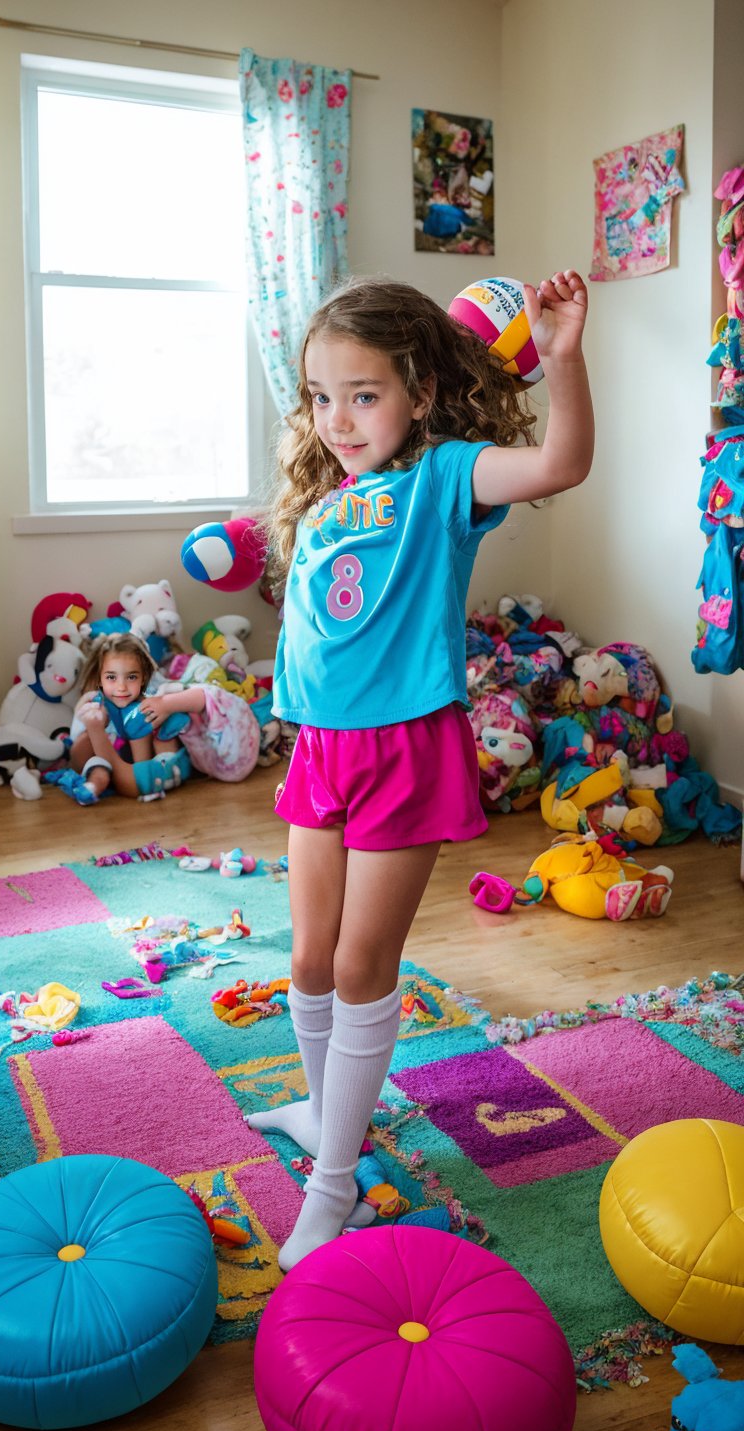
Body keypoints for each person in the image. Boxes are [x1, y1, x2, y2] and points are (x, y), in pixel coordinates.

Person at [245, 270, 593, 1269]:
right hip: (319, 745)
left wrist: (561, 356)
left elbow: (562, 461)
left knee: (361, 967)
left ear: (418, 394)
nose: (339, 419)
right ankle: (324, 1118)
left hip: (404, 746)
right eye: (321, 396)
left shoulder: (444, 478)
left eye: (363, 395)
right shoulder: (330, 493)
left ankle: (335, 1185)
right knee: (309, 960)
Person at [61, 632, 205, 803]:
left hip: (137, 765)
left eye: (131, 677)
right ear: (100, 678)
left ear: (143, 678)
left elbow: (184, 695)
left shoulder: (149, 698)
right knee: (94, 761)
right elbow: (79, 753)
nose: (121, 687)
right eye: (111, 677)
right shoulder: (97, 702)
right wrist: (96, 723)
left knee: (157, 725)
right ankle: (92, 787)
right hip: (102, 759)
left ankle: (150, 777)